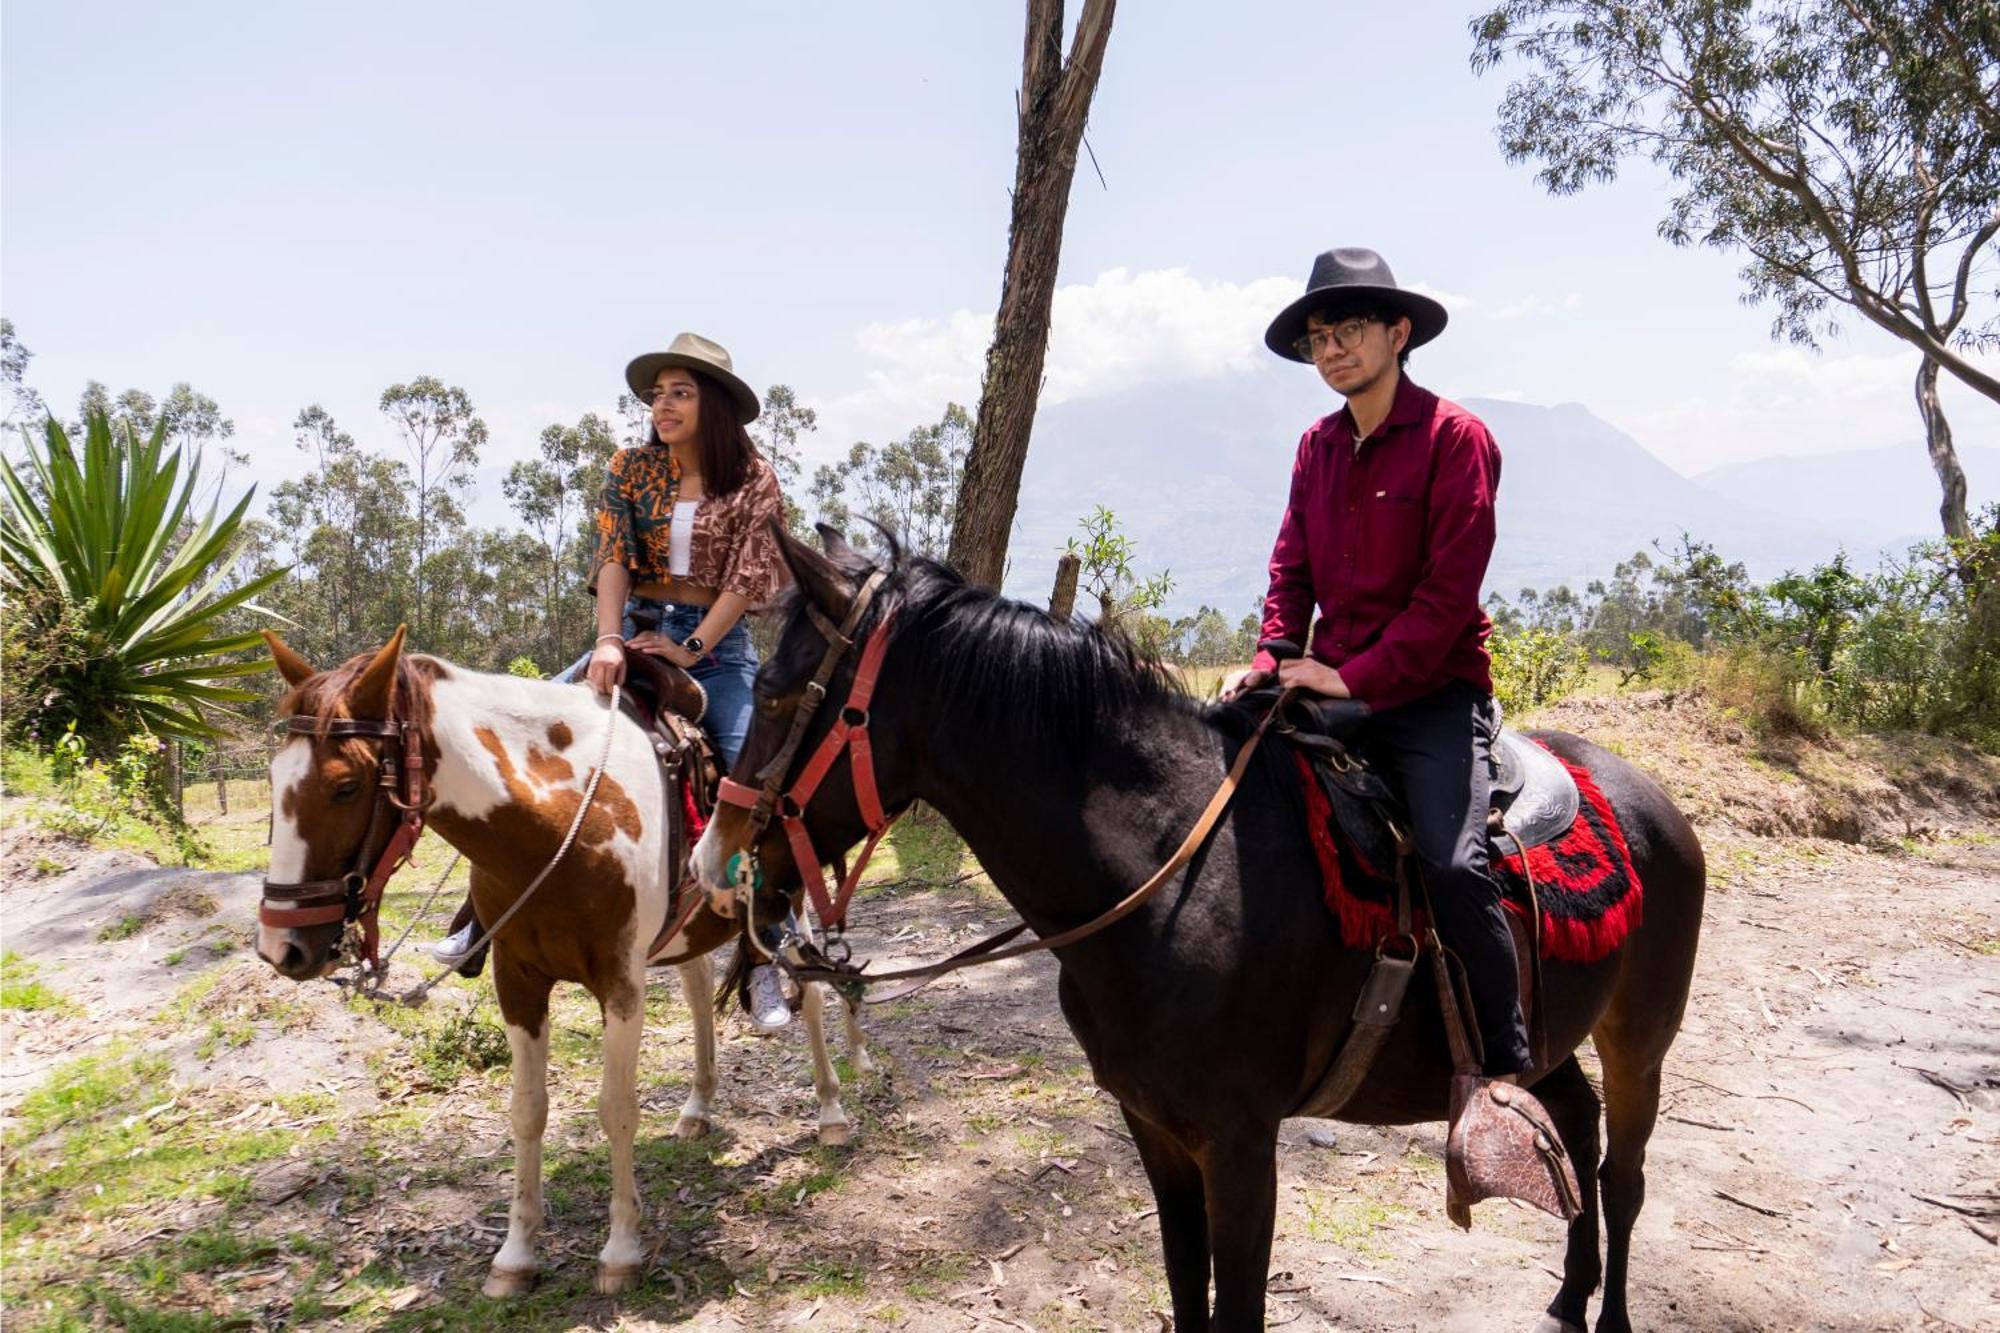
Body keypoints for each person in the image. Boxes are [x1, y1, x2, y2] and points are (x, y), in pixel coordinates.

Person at [432, 332, 797, 1031]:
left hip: (716, 648)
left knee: (756, 784)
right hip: (630, 632)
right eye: (657, 393)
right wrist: (607, 639)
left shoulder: (754, 478)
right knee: (526, 743)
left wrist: (690, 649)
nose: (662, 405)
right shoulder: (631, 468)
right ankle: (479, 918)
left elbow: (749, 578)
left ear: (713, 403)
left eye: (680, 392)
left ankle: (763, 955)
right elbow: (613, 558)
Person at [1224, 247, 1530, 1079]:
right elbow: (1291, 570)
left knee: (1454, 864)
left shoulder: (1455, 440)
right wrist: (1271, 656)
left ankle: (1507, 1069)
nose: (1330, 351)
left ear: (1399, 333)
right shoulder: (1316, 448)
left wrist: (1350, 676)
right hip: (1330, 685)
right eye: (1318, 338)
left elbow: (1446, 599)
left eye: (1348, 330)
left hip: (1431, 693)